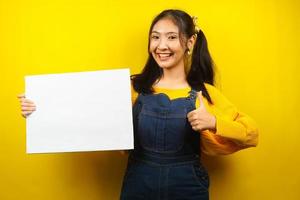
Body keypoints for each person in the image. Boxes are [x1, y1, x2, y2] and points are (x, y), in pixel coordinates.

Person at [18, 9, 258, 200]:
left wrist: (214, 122)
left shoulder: (204, 94)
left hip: (188, 188)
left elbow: (251, 135)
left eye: (171, 37)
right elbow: (82, 111)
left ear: (190, 42)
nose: (161, 46)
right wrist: (39, 109)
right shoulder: (131, 88)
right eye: (155, 37)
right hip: (138, 186)